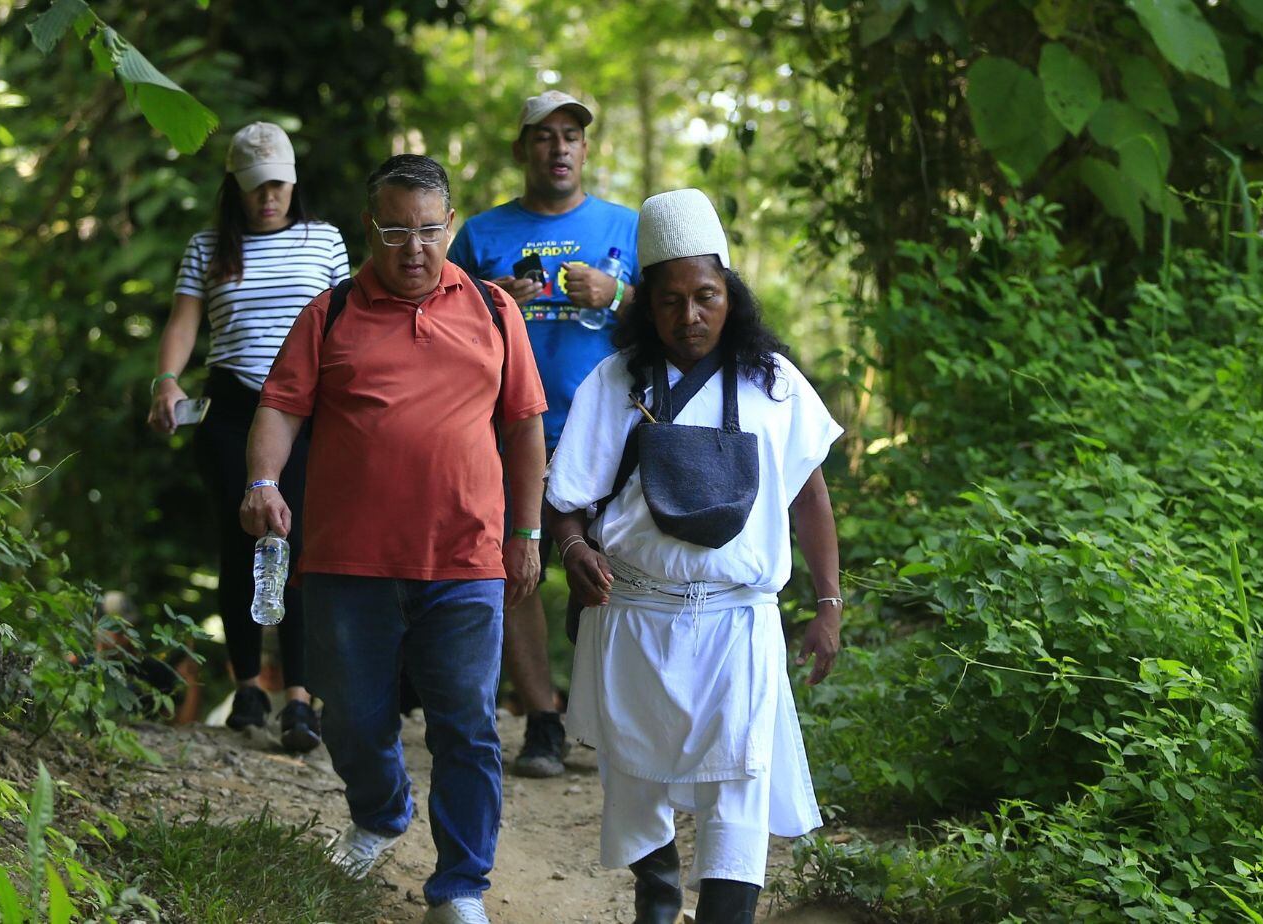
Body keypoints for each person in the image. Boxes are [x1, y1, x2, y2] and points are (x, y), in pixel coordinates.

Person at [241, 154, 547, 924]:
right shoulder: (331, 311)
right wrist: (264, 482)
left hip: (467, 556)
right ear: (369, 229)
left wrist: (528, 530)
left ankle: (461, 886)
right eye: (395, 230)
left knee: (468, 726)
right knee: (350, 717)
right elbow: (280, 408)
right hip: (349, 559)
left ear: (449, 225)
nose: (414, 247)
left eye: (429, 230)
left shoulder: (493, 309)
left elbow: (523, 427)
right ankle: (380, 811)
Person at [544, 188, 843, 924]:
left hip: (740, 628)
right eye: (670, 300)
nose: (689, 316)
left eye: (706, 296)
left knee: (738, 795)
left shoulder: (774, 384)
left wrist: (828, 603)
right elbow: (567, 498)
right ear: (646, 305)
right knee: (637, 784)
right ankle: (656, 894)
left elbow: (809, 499)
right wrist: (575, 548)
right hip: (635, 622)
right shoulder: (614, 384)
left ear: (729, 295)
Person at [448, 89, 640, 778]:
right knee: (514, 573)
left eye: (571, 136)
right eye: (543, 136)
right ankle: (541, 723)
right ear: (522, 149)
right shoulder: (481, 234)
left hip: (610, 436)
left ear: (587, 150)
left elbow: (679, 318)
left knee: (611, 577)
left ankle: (597, 718)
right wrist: (488, 301)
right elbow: (437, 330)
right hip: (506, 433)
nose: (558, 147)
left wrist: (615, 296)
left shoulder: (626, 226)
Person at [147, 122, 349, 752]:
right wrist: (166, 381)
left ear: (294, 182)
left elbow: (349, 323)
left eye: (278, 185)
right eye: (256, 187)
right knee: (240, 545)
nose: (268, 198)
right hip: (232, 407)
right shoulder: (210, 247)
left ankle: (300, 699)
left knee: (302, 547)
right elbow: (184, 322)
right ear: (235, 188)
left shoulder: (325, 240)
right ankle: (248, 686)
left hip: (309, 411)